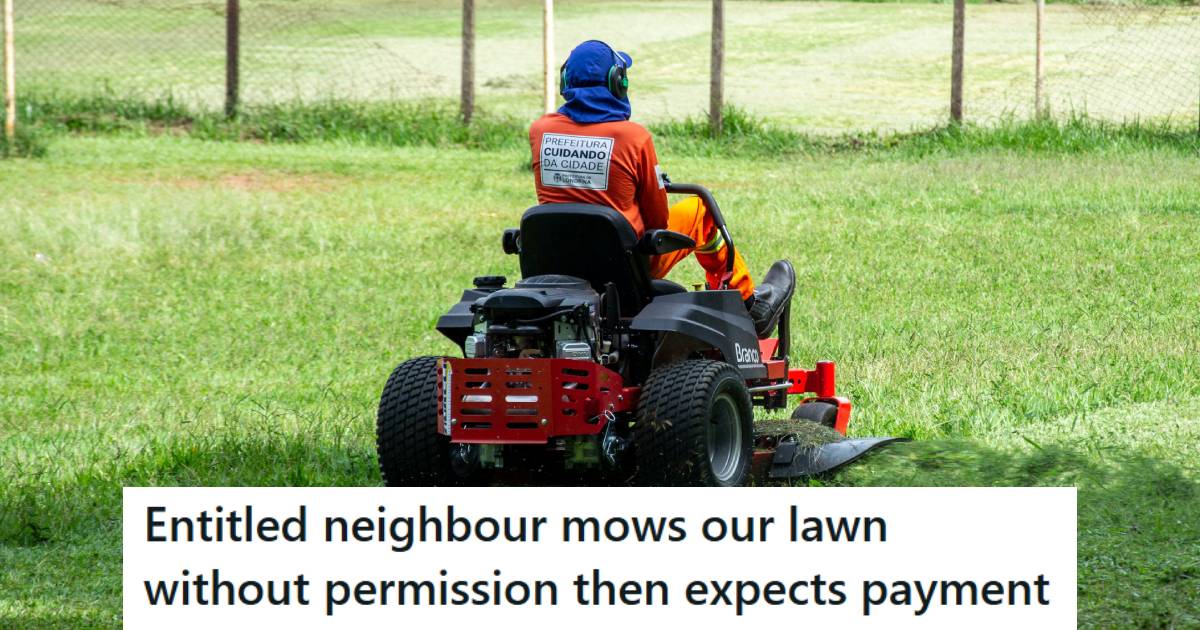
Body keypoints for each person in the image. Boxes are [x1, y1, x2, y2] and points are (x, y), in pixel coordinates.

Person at [527, 40, 795, 338]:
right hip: (625, 265)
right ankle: (748, 304)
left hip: (557, 262)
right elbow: (658, 221)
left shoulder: (540, 131)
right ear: (618, 83)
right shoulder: (634, 138)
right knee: (699, 211)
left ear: (566, 82)